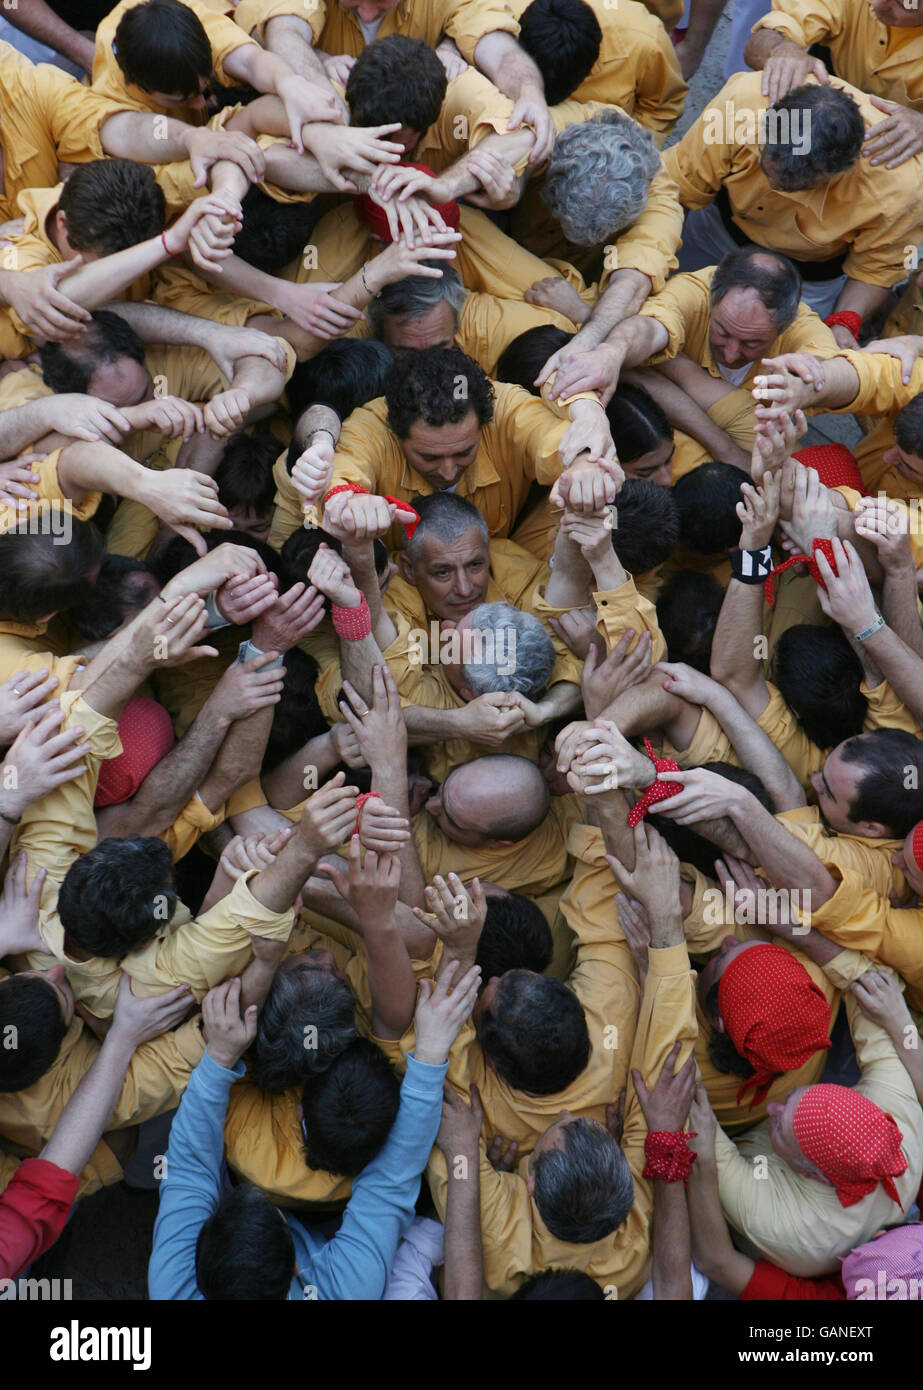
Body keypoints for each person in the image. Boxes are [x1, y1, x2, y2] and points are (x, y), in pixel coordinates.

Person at [148, 962, 480, 1298]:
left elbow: (189, 1169)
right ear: (295, 1267)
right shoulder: (346, 1291)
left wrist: (218, 1055)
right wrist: (430, 1055)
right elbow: (388, 1185)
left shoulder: (173, 1288)